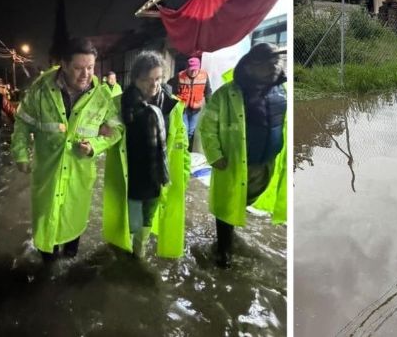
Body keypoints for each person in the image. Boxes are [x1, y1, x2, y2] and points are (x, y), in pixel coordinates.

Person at [11, 38, 123, 261]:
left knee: (74, 223)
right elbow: (22, 122)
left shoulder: (101, 97)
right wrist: (21, 153)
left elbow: (116, 129)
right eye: (79, 68)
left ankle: (68, 261)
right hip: (48, 173)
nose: (86, 74)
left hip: (79, 176)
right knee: (47, 228)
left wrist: (95, 146)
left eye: (90, 67)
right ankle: (47, 268)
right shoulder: (41, 90)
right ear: (64, 64)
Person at [198, 43, 287, 268]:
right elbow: (208, 127)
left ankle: (232, 232)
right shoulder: (226, 94)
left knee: (243, 201)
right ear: (249, 67)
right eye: (267, 63)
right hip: (235, 164)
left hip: (266, 163)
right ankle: (223, 251)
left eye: (276, 62)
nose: (274, 67)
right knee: (227, 205)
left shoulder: (281, 90)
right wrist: (215, 155)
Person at [102, 51, 190, 259]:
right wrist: (100, 134)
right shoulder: (120, 104)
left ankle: (138, 252)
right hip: (131, 175)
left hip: (157, 175)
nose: (153, 85)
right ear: (135, 80)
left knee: (148, 218)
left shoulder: (172, 105)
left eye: (158, 78)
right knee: (132, 220)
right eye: (146, 80)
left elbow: (181, 143)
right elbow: (109, 135)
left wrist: (184, 173)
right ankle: (129, 244)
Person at [169, 57, 212, 148]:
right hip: (182, 108)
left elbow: (208, 92)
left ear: (199, 68)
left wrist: (211, 107)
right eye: (191, 70)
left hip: (195, 109)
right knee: (185, 129)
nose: (193, 72)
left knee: (191, 131)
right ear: (187, 68)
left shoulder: (204, 76)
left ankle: (186, 149)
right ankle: (183, 149)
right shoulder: (179, 76)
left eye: (195, 70)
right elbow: (173, 92)